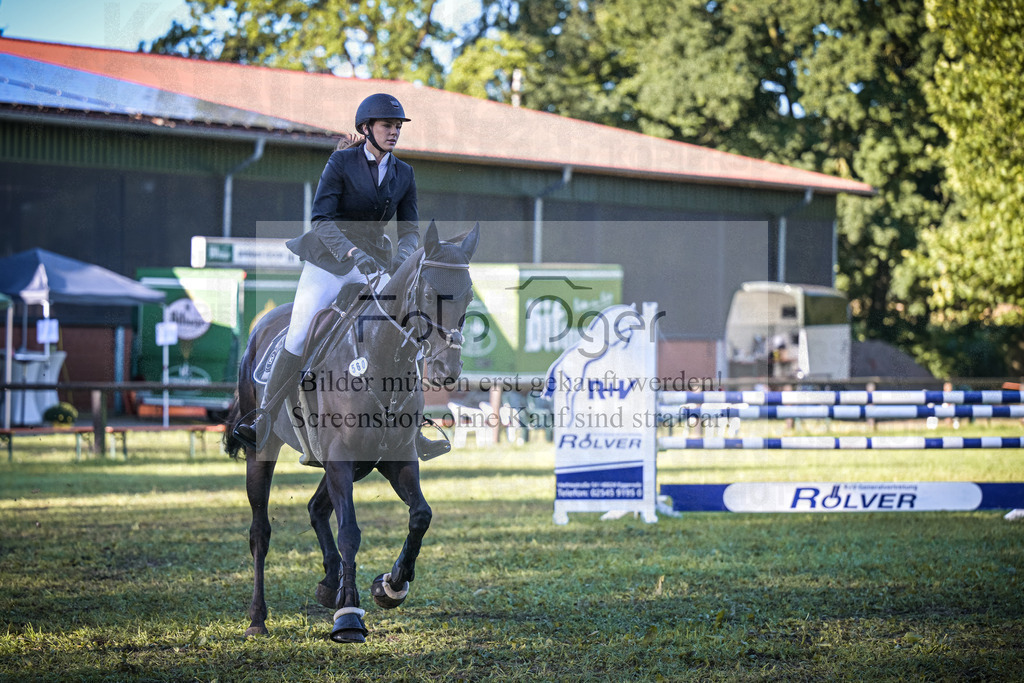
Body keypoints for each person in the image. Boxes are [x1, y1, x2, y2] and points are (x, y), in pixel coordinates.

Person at [233, 93, 424, 451]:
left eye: (398, 126)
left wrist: (403, 257)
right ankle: (264, 416)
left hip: (375, 265)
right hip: (329, 262)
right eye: (388, 125)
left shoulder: (405, 173)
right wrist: (351, 252)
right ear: (366, 128)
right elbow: (321, 218)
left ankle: (413, 421)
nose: (394, 132)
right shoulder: (341, 163)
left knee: (404, 327)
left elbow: (410, 229)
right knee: (300, 331)